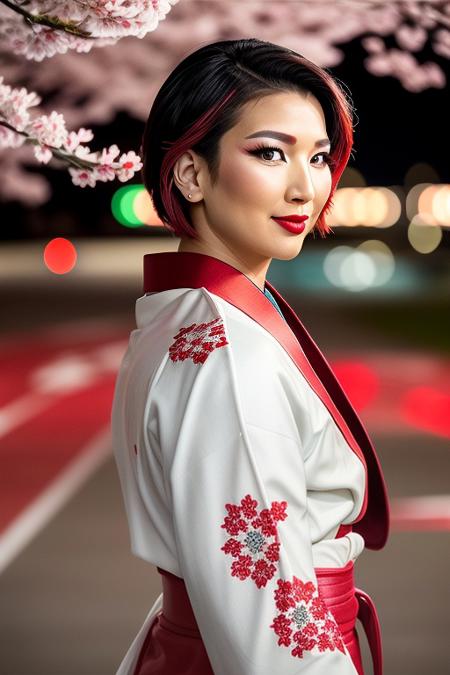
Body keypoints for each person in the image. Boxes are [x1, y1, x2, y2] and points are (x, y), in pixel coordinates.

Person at [111, 38, 390, 675]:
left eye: (318, 156)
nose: (305, 186)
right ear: (191, 173)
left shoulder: (182, 316)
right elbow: (272, 622)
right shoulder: (224, 357)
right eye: (269, 152)